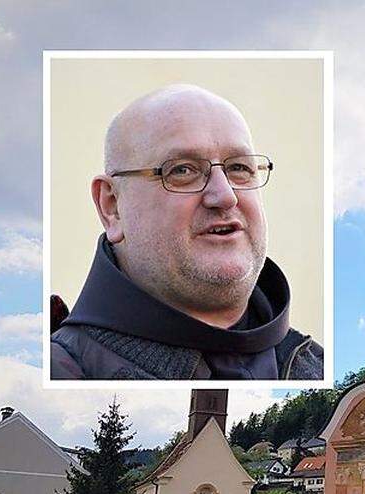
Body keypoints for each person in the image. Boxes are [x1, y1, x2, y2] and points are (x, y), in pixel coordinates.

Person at [50, 84, 323, 380]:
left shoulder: (314, 365)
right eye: (182, 170)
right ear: (112, 206)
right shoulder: (63, 369)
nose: (225, 195)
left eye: (239, 168)